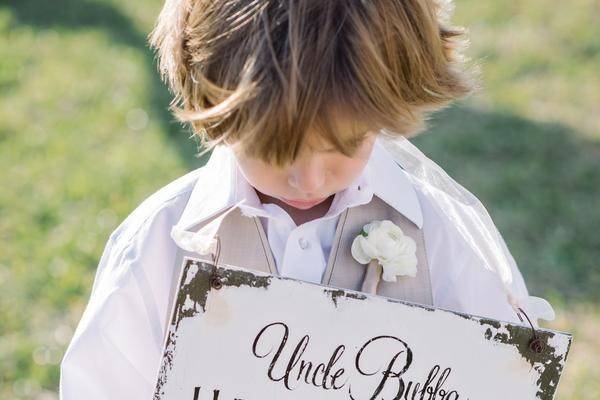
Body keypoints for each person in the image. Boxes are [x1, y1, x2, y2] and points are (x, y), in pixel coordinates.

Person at [59, 1, 555, 399]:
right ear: (215, 110)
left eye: (344, 146)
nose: (307, 178)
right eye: (274, 149)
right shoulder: (159, 246)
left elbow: (501, 376)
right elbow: (105, 382)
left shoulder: (439, 235)